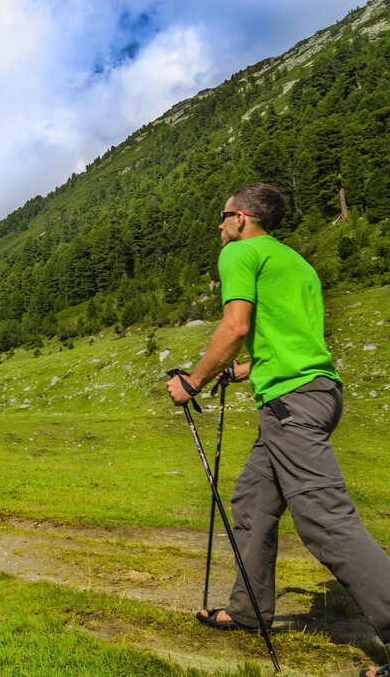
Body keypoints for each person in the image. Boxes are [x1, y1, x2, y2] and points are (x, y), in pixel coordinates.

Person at [165, 183, 390, 677]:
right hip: (314, 394)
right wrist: (240, 371)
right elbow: (289, 340)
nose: (219, 226)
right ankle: (248, 610)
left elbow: (235, 326)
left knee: (326, 522)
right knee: (252, 503)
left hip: (293, 405)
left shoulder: (240, 253)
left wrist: (194, 380)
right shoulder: (295, 262)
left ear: (241, 218)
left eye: (222, 216)